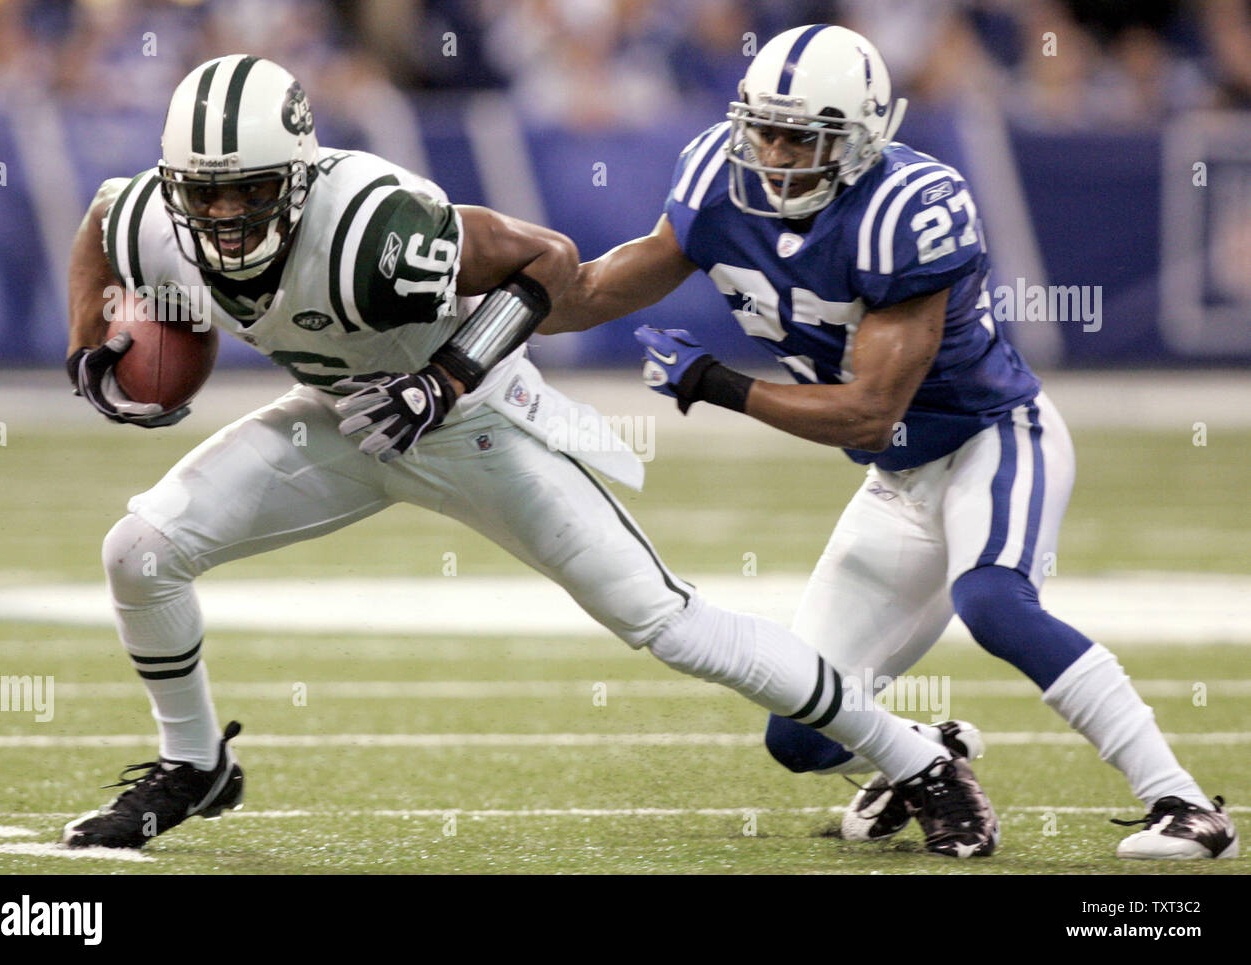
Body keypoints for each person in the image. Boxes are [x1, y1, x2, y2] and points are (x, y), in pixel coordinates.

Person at [62, 54, 998, 856]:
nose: (224, 214)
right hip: (345, 415)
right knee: (140, 550)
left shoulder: (374, 230)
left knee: (668, 621)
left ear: (299, 177)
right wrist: (87, 350)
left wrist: (444, 378)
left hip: (476, 425)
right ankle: (195, 766)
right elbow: (101, 228)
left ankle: (917, 758)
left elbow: (548, 262)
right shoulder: (152, 212)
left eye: (252, 190)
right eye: (205, 192)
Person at [537, 25, 1238, 861]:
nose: (775, 152)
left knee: (994, 604)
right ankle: (922, 755)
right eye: (763, 128)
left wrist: (716, 384)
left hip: (990, 436)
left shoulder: (910, 208)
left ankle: (1186, 805)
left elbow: (870, 411)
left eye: (803, 136)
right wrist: (475, 307)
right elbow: (593, 291)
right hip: (897, 483)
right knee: (800, 733)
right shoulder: (717, 179)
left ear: (862, 139)